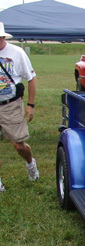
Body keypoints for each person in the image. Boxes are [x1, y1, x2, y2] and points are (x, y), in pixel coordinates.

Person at [0, 22, 39, 193]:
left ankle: (31, 164)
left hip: (11, 105)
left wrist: (30, 105)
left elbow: (31, 79)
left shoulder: (17, 53)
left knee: (19, 145)